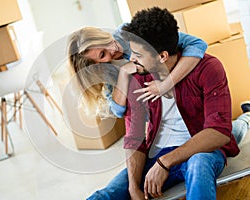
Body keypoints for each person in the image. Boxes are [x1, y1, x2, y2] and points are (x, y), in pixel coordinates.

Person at [86, 7, 250, 200]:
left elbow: (218, 132)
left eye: (137, 54)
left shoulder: (208, 67)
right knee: (107, 194)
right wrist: (133, 188)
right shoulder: (136, 77)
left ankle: (247, 116)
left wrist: (165, 163)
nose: (131, 60)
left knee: (213, 151)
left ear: (162, 56)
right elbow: (134, 137)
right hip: (157, 153)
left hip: (200, 150)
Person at [67, 25, 207, 118]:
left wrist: (165, 85)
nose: (112, 48)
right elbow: (118, 110)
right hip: (161, 118)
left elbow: (197, 44)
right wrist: (123, 72)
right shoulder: (106, 70)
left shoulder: (133, 32)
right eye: (103, 54)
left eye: (106, 40)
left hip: (188, 99)